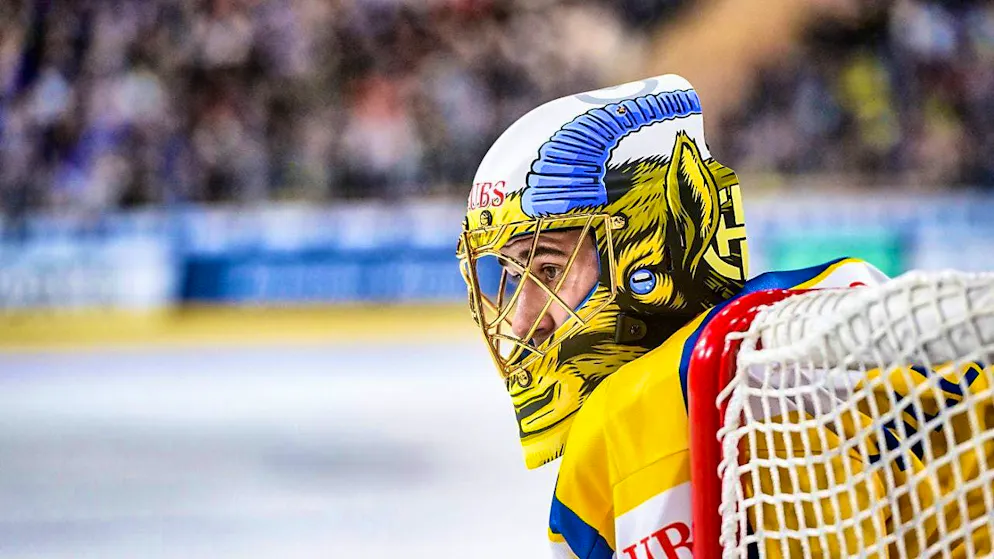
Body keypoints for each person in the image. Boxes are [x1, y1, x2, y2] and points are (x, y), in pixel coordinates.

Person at [455, 74, 892, 558]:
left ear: (655, 252)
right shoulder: (854, 305)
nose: (521, 323)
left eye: (551, 269)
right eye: (517, 277)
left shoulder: (635, 423)